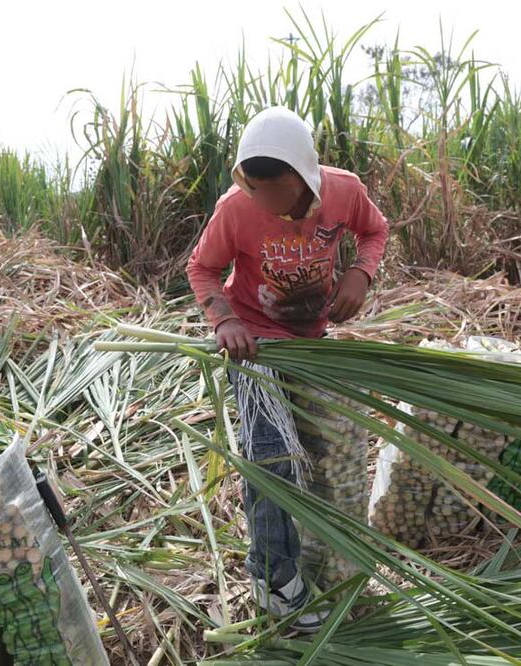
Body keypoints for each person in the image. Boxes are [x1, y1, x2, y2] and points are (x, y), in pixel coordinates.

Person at [186, 106, 389, 632]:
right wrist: (224, 321)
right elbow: (202, 267)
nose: (265, 203)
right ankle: (275, 580)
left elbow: (375, 231)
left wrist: (360, 275)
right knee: (270, 456)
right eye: (255, 191)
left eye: (274, 192)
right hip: (255, 347)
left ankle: (331, 562)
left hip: (310, 342)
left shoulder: (343, 193)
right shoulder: (237, 208)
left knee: (327, 454)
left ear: (304, 176)